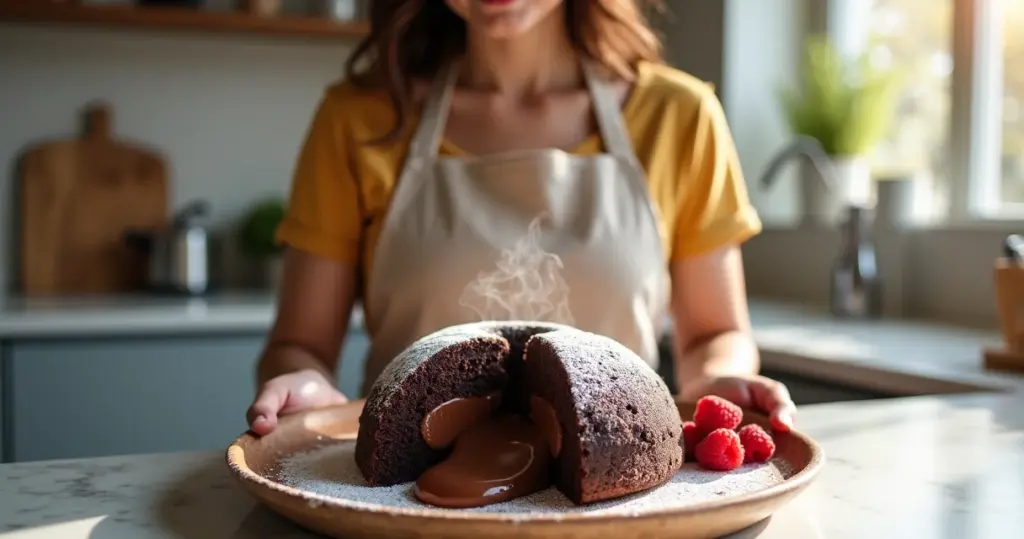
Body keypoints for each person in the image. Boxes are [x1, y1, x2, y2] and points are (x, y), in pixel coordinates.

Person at [245, 0, 796, 437]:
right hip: (407, 488)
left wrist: (719, 377)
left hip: (612, 492)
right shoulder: (356, 119)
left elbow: (714, 333)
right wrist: (305, 384)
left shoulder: (680, 116)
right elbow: (302, 344)